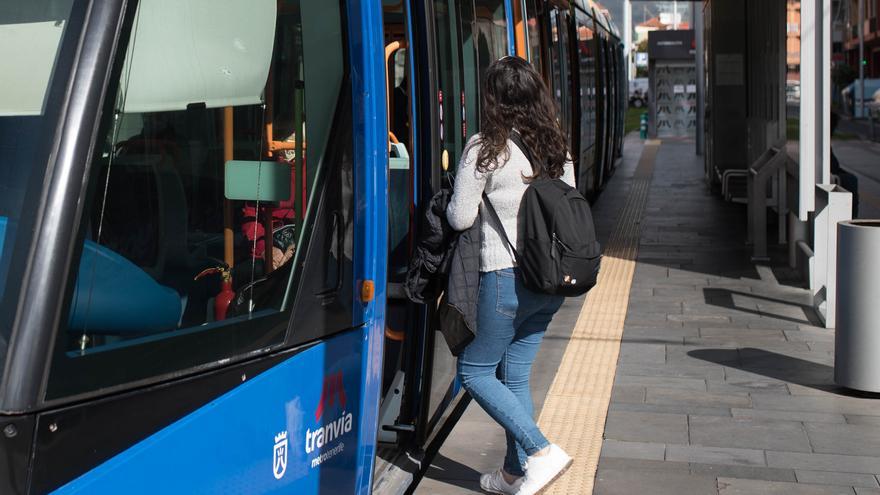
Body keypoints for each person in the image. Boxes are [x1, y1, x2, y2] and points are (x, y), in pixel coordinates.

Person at [446, 56, 574, 495]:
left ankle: (541, 451)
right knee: (515, 376)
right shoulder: (556, 147)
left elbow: (461, 216)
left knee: (475, 371)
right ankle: (514, 474)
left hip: (505, 278)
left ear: (492, 99)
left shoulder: (486, 148)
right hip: (549, 282)